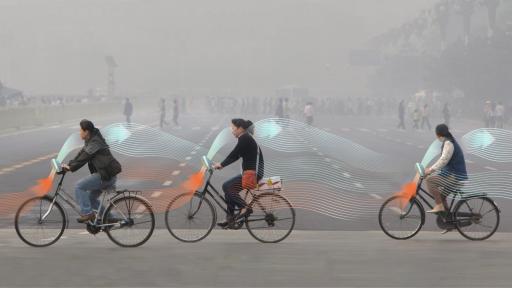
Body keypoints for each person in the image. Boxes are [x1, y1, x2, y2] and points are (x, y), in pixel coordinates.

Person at [61, 120, 122, 223]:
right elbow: (81, 155)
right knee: (90, 199)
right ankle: (109, 218)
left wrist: (71, 168)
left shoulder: (95, 142)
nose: (79, 132)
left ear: (87, 132)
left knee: (79, 186)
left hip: (105, 176)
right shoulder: (91, 141)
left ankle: (87, 213)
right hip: (106, 175)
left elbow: (84, 158)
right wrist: (69, 165)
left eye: (81, 130)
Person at [213, 119, 264, 228]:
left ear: (240, 128)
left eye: (233, 128)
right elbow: (236, 155)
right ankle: (230, 218)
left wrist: (221, 165)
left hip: (252, 175)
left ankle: (245, 208)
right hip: (250, 173)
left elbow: (234, 153)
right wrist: (221, 164)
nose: (232, 131)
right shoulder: (245, 138)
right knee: (228, 187)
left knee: (227, 187)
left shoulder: (245, 138)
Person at [424, 124, 468, 214]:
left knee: (430, 180)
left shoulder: (448, 143)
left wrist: (431, 170)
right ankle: (447, 217)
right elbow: (443, 159)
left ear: (438, 134)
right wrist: (431, 168)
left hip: (455, 176)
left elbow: (443, 160)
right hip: (454, 174)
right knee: (441, 196)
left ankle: (439, 206)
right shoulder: (448, 141)